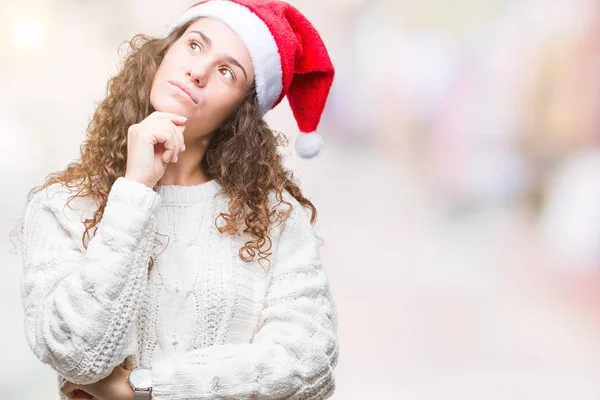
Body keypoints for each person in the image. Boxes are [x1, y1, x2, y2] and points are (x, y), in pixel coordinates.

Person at [19, 1, 338, 399]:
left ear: (240, 110)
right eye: (194, 45)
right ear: (165, 53)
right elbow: (78, 355)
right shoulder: (63, 206)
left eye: (227, 71)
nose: (198, 71)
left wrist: (144, 389)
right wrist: (134, 190)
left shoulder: (273, 219)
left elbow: (309, 364)